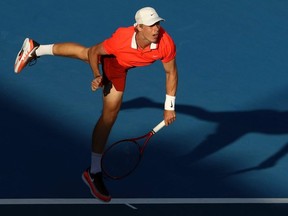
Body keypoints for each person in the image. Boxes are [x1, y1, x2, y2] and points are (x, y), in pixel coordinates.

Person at [14, 6, 178, 202]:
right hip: (115, 61)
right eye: (151, 26)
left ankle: (36, 48)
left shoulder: (165, 42)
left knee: (83, 53)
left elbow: (171, 73)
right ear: (139, 27)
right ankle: (94, 171)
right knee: (109, 115)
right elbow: (95, 53)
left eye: (157, 24)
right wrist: (97, 75)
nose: (156, 29)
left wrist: (169, 107)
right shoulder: (121, 40)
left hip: (125, 61)